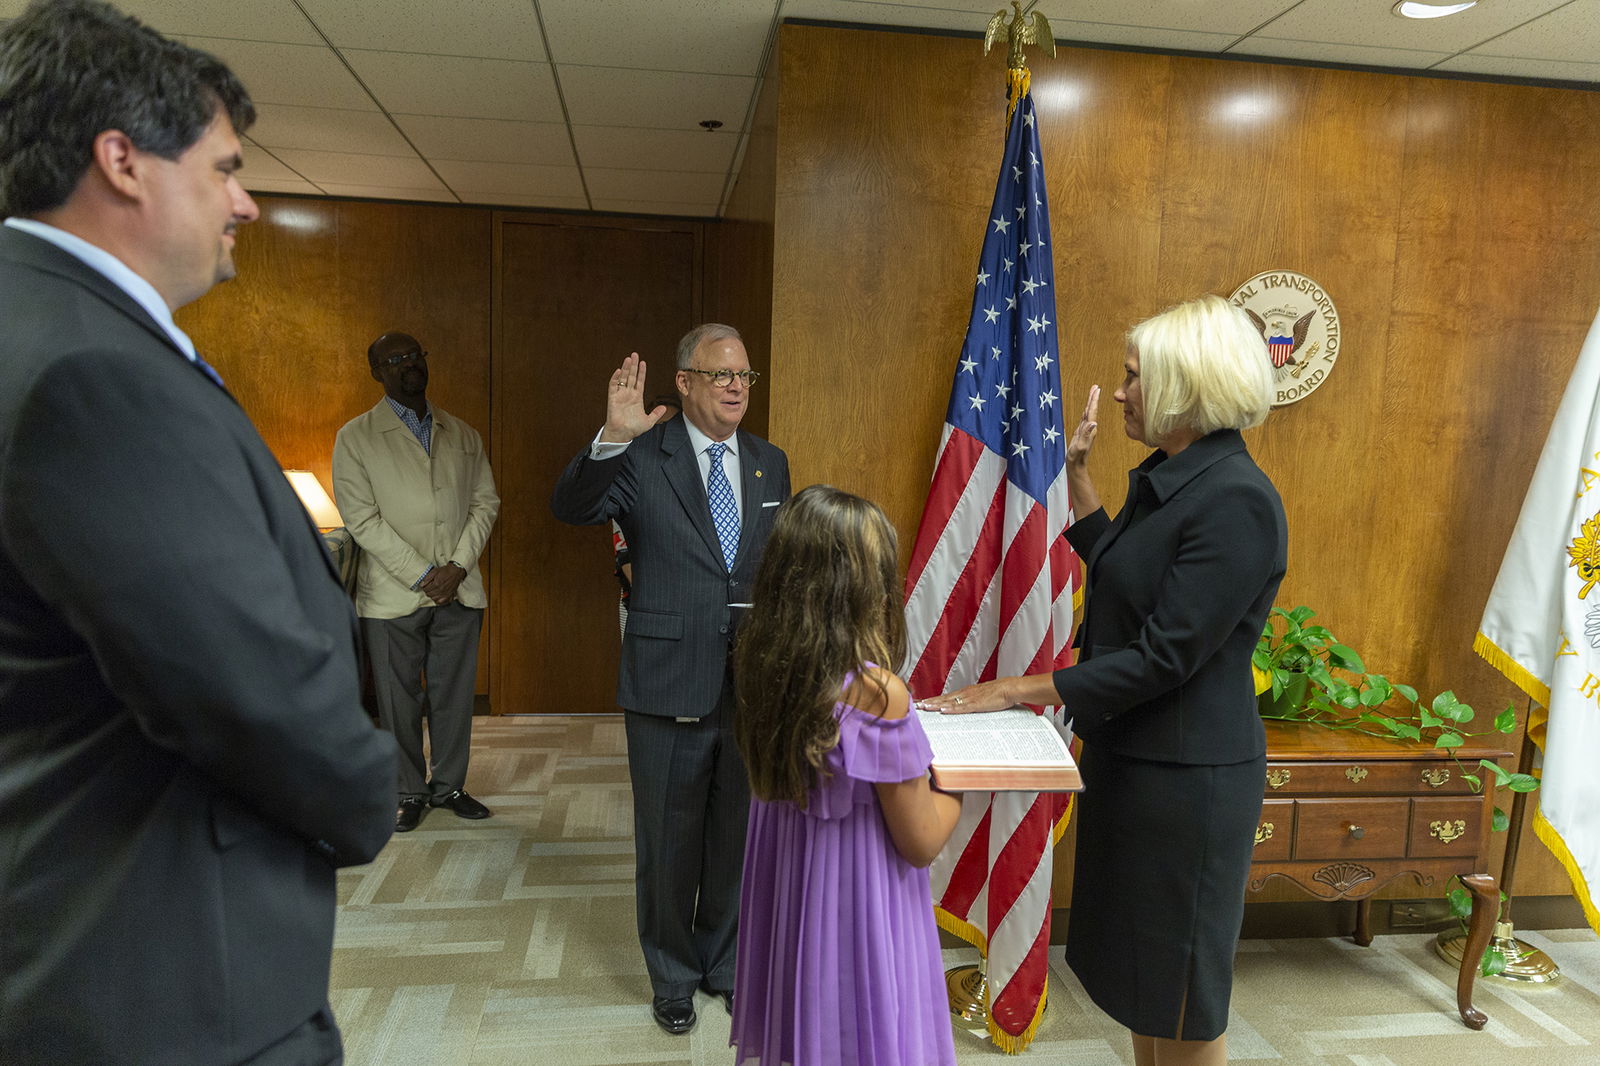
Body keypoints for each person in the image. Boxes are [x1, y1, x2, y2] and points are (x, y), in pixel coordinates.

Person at [0, 3, 398, 1064]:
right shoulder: (93, 373)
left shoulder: (42, 322)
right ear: (122, 160)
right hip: (165, 975)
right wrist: (372, 786)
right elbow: (241, 684)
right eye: (224, 169)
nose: (247, 203)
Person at [922, 294, 1287, 1066]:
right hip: (1138, 765)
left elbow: (1166, 655)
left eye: (1134, 378)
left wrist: (1019, 688)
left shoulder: (1238, 501)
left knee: (1183, 999)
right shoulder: (1177, 477)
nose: (1119, 392)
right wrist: (1082, 484)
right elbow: (1127, 575)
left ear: (1189, 387)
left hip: (1190, 786)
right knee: (1143, 985)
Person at [551, 324, 791, 1036]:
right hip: (665, 678)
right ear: (682, 383)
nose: (735, 387)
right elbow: (573, 507)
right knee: (668, 839)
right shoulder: (640, 454)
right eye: (719, 375)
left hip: (750, 681)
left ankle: (723, 963)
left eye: (744, 376)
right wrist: (610, 438)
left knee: (735, 834)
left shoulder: (769, 462)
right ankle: (673, 974)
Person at [730, 485, 962, 1066]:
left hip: (797, 888)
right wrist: (958, 782)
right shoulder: (877, 692)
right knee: (865, 1036)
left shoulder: (765, 659)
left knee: (812, 1033)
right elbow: (921, 841)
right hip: (860, 902)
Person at [332, 331, 500, 832]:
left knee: (452, 694)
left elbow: (485, 502)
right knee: (397, 698)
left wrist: (458, 568)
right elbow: (361, 520)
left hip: (460, 588)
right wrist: (425, 575)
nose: (409, 365)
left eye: (415, 355)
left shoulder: (462, 432)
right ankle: (408, 790)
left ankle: (448, 786)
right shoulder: (354, 437)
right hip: (392, 593)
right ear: (376, 372)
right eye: (395, 359)